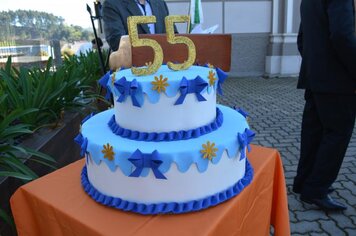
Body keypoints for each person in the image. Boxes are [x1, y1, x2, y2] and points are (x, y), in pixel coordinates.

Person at [293, 0, 356, 211]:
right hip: (338, 80)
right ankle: (316, 189)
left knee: (313, 132)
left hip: (314, 77)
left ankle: (304, 182)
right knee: (337, 134)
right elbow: (343, 36)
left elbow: (302, 39)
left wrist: (316, 65)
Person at [103, 0, 173, 51]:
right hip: (131, 67)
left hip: (164, 65)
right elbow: (116, 42)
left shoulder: (160, 3)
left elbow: (173, 35)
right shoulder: (112, 4)